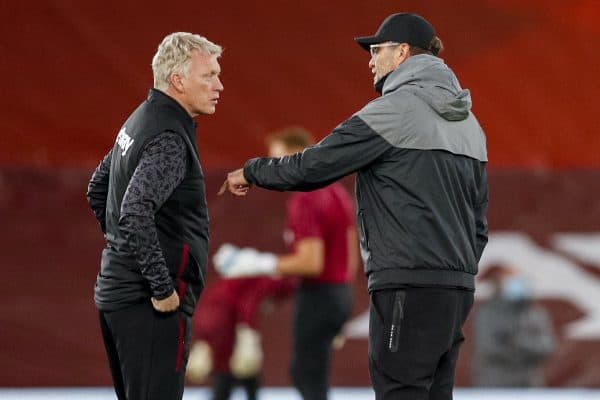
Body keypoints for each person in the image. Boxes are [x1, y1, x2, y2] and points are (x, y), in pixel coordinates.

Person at [218, 13, 488, 400]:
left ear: (403, 53)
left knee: (401, 390)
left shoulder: (393, 111)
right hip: (457, 288)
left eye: (377, 50)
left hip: (406, 285)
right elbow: (479, 222)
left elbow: (313, 165)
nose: (370, 59)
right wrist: (457, 270)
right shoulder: (471, 126)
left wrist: (252, 171)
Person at [86, 32, 224, 400]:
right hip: (149, 305)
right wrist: (160, 287)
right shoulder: (169, 136)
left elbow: (98, 189)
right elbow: (133, 211)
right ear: (178, 81)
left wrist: (123, 254)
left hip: (119, 294)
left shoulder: (140, 119)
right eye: (208, 75)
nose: (219, 85)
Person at [214, 127, 359, 400]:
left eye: (277, 161)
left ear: (296, 157)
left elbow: (311, 263)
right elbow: (349, 252)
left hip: (319, 295)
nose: (273, 172)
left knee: (305, 375)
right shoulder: (335, 192)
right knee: (314, 373)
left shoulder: (306, 197)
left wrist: (257, 263)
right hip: (337, 293)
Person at [186, 276, 296, 400]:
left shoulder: (238, 281)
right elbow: (248, 305)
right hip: (223, 324)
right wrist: (247, 330)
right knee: (242, 368)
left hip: (213, 319)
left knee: (232, 370)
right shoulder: (262, 283)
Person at [472, 266, 555, 387]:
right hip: (496, 380)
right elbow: (488, 347)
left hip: (529, 380)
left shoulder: (536, 314)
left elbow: (546, 346)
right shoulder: (488, 313)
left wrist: (518, 342)